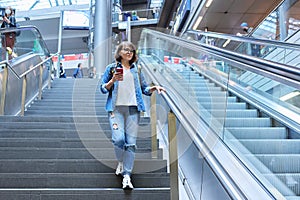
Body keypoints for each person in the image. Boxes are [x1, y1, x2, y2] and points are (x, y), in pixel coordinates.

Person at [100, 41, 165, 190]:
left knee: (131, 143)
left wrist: (153, 88)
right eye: (125, 50)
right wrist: (112, 80)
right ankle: (121, 161)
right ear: (119, 52)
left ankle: (127, 176)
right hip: (115, 110)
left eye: (131, 50)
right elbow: (102, 89)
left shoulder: (137, 69)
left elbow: (144, 89)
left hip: (133, 111)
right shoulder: (111, 69)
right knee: (119, 139)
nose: (129, 52)